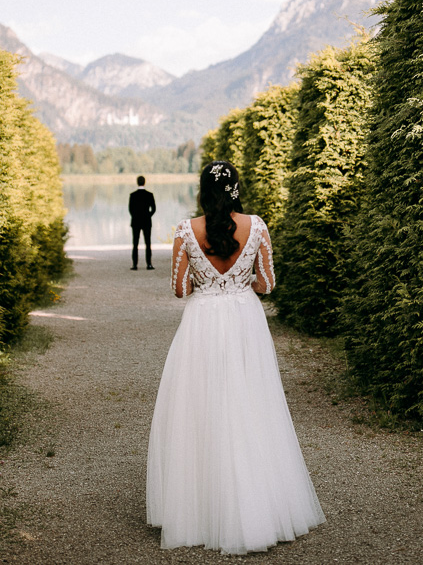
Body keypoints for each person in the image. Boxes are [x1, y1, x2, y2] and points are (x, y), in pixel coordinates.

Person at [146, 160, 325, 554]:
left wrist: (206, 278)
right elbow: (268, 283)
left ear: (202, 191)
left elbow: (179, 289)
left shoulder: (184, 230)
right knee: (250, 403)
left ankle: (202, 509)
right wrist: (239, 281)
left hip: (202, 322)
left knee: (202, 407)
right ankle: (257, 505)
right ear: (236, 189)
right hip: (245, 319)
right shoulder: (257, 226)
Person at [129, 175, 156, 270]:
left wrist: (135, 216)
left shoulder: (133, 195)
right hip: (146, 221)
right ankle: (149, 264)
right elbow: (153, 209)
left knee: (135, 243)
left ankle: (134, 265)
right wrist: (148, 215)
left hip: (136, 221)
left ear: (137, 182)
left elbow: (130, 209)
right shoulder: (149, 195)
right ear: (144, 182)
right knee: (148, 243)